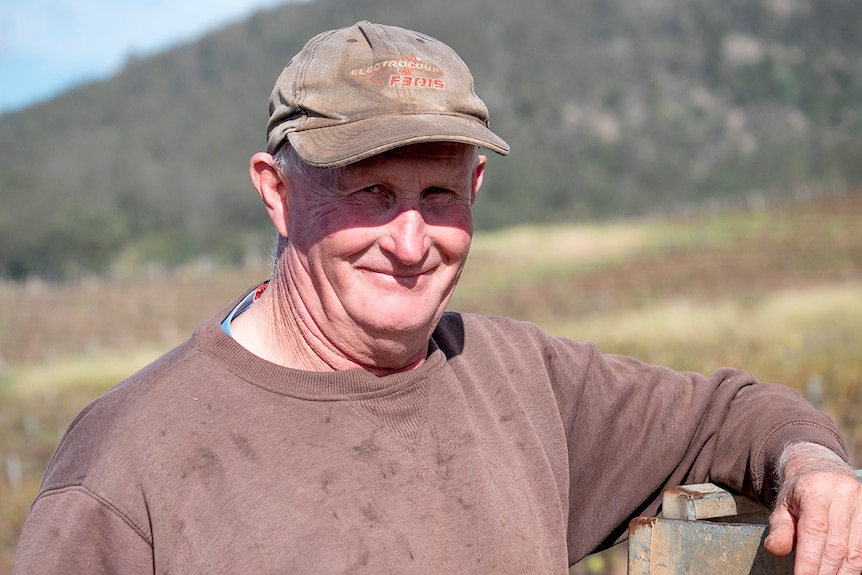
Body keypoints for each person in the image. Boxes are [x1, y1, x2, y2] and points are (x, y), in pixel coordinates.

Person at [13, 20, 862, 575]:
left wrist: (813, 465)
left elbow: (727, 414)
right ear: (275, 190)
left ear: (479, 184)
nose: (413, 242)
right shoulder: (128, 467)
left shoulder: (519, 377)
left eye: (439, 195)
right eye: (372, 193)